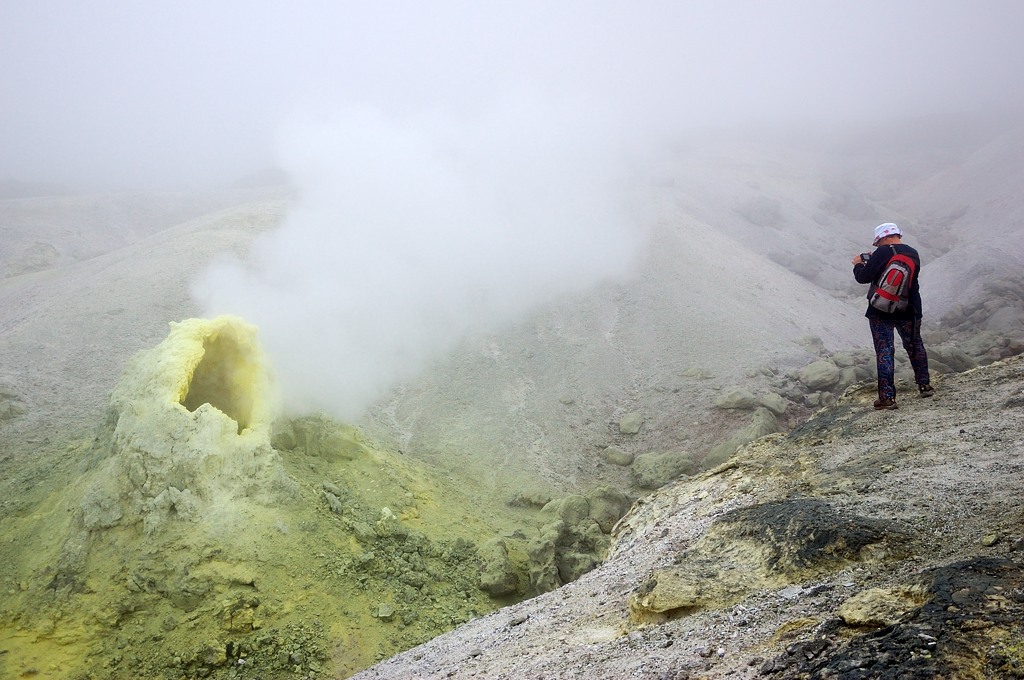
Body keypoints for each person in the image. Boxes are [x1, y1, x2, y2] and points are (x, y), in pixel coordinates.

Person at [851, 222, 934, 410]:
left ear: (884, 238)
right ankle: (925, 385)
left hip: (880, 310)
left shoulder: (881, 252)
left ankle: (887, 398)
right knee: (915, 345)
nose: (878, 245)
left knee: (885, 351)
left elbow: (862, 277)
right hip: (910, 309)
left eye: (878, 241)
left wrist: (858, 265)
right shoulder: (913, 252)